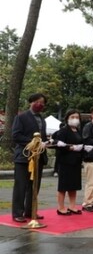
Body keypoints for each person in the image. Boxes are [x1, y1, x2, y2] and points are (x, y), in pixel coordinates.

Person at [11, 93, 49, 223]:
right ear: (31, 102)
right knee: (21, 185)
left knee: (34, 186)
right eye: (37, 102)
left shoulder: (42, 120)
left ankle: (30, 211)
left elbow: (42, 137)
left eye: (42, 103)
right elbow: (16, 135)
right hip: (24, 157)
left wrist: (45, 142)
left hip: (38, 158)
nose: (40, 105)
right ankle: (17, 213)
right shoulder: (21, 117)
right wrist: (33, 143)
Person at [54, 110, 84, 215]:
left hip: (76, 161)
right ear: (67, 118)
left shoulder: (78, 130)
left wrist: (83, 147)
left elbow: (82, 143)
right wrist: (70, 148)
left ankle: (72, 206)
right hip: (65, 161)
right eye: (72, 117)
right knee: (63, 186)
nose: (75, 119)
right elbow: (58, 145)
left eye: (77, 117)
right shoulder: (63, 131)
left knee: (74, 185)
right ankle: (61, 207)